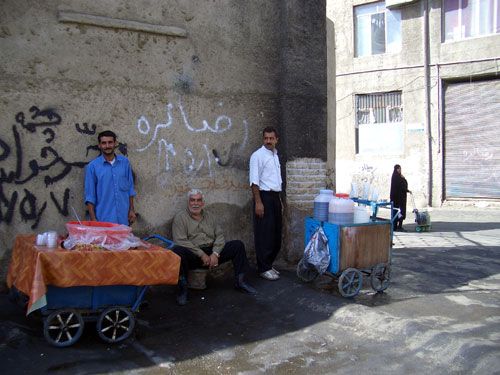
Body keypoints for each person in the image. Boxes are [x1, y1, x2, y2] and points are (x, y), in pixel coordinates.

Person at [171, 189, 257, 305]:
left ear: (203, 203)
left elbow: (220, 236)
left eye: (198, 200)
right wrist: (201, 254)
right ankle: (182, 290)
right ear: (188, 202)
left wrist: (215, 254)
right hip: (194, 254)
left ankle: (240, 282)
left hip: (212, 251)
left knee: (237, 245)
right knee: (178, 251)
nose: (195, 203)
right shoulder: (180, 218)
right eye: (192, 200)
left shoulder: (210, 216)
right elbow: (180, 240)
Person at [249, 126, 283, 281]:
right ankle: (263, 268)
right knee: (264, 235)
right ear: (263, 139)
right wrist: (258, 202)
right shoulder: (257, 156)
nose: (268, 141)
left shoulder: (275, 155)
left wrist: (280, 201)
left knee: (276, 235)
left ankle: (268, 264)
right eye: (266, 138)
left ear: (276, 139)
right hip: (263, 197)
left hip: (275, 197)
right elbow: (254, 182)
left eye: (271, 138)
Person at [84, 130, 137, 225]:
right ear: (99, 145)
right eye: (104, 143)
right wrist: (93, 219)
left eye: (110, 142)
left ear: (115, 143)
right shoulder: (93, 167)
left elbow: (130, 189)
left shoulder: (125, 163)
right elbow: (90, 196)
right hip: (103, 220)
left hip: (124, 219)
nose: (107, 146)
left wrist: (132, 210)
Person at [390, 164, 411, 231]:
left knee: (400, 211)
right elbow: (401, 186)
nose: (400, 170)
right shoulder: (396, 177)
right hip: (397, 198)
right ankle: (396, 226)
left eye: (400, 169)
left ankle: (398, 226)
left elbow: (402, 185)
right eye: (398, 169)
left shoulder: (398, 176)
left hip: (400, 198)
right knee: (398, 211)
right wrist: (406, 190)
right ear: (396, 169)